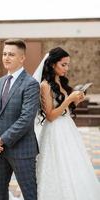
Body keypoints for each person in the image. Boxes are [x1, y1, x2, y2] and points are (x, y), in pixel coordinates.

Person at [33, 47, 100, 200]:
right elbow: (50, 115)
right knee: (57, 164)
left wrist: (75, 102)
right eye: (63, 64)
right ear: (52, 64)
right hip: (54, 132)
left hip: (67, 129)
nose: (66, 68)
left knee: (73, 163)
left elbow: (65, 110)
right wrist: (69, 99)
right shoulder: (45, 85)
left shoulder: (61, 82)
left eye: (68, 64)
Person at [0, 39, 40, 200]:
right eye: (4, 54)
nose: (6, 57)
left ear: (22, 58)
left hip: (22, 150)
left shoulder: (30, 84)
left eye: (11, 54)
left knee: (29, 193)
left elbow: (26, 119)